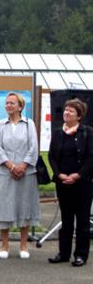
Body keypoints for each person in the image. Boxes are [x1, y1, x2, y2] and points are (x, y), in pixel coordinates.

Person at [0, 92, 40, 260]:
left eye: (12, 103)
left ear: (20, 106)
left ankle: (23, 245)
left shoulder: (29, 124)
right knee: (5, 206)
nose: (8, 106)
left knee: (24, 206)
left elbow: (33, 147)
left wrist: (23, 166)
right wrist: (12, 166)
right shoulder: (0, 125)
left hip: (26, 173)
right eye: (7, 103)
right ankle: (4, 245)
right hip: (6, 173)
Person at [48, 98, 93, 267]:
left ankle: (81, 255)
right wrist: (58, 174)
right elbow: (51, 156)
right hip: (63, 182)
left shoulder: (87, 132)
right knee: (66, 220)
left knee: (82, 220)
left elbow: (91, 157)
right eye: (66, 110)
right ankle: (63, 253)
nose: (66, 113)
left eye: (71, 111)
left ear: (79, 116)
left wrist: (78, 175)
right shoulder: (58, 133)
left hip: (82, 183)